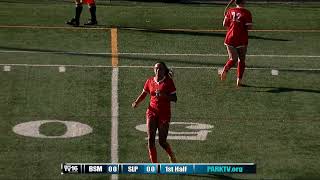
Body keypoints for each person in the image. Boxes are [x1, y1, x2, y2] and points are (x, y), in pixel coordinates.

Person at [132, 62, 177, 163]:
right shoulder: (150, 81)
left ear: (164, 70)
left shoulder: (168, 82)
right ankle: (154, 164)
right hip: (151, 112)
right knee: (150, 139)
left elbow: (174, 98)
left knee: (162, 141)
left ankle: (171, 154)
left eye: (160, 69)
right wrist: (136, 102)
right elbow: (144, 93)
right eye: (156, 69)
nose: (158, 71)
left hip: (164, 114)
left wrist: (163, 95)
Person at [220, 0, 253, 87]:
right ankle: (239, 80)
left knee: (232, 58)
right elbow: (249, 27)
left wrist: (232, 24)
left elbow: (224, 24)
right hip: (241, 39)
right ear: (244, 2)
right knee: (241, 59)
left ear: (236, 2)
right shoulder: (246, 12)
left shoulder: (230, 11)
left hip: (230, 38)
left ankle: (225, 69)